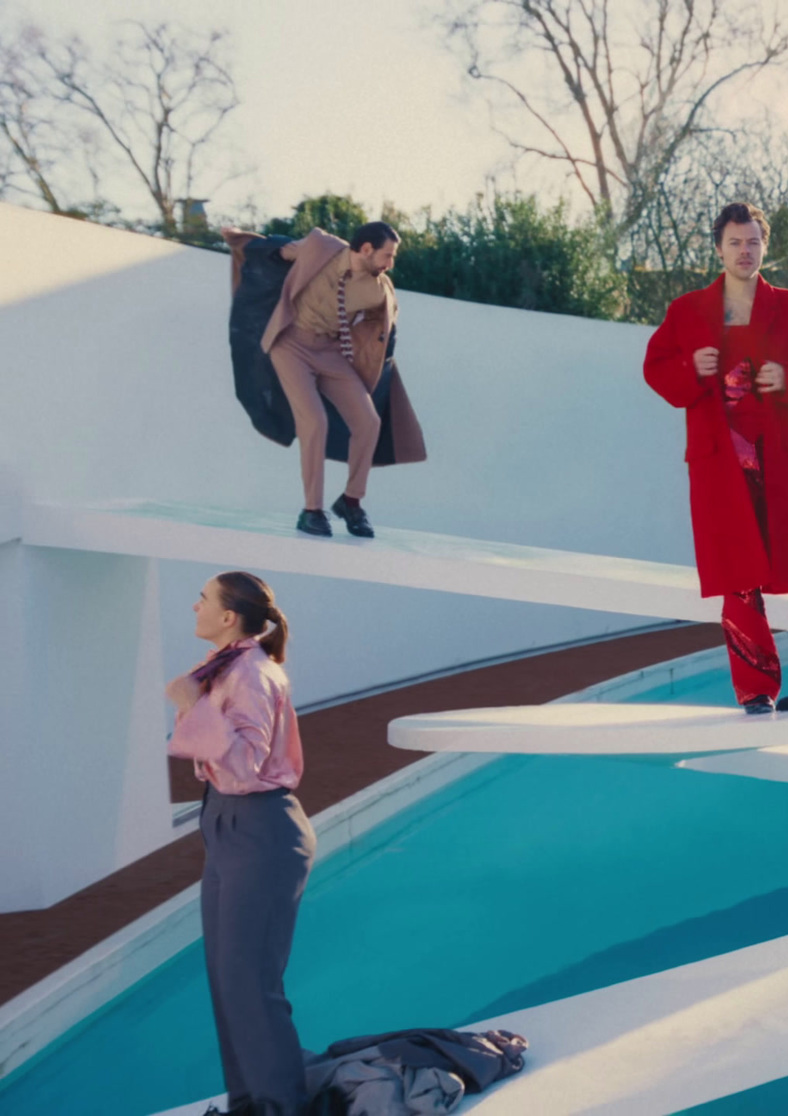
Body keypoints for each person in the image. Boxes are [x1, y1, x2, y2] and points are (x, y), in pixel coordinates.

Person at [644, 202, 788, 713]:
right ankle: (756, 691)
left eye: (753, 241)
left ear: (765, 245)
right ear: (718, 248)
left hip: (785, 455)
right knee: (737, 575)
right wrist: (691, 366)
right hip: (720, 461)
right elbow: (655, 370)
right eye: (735, 242)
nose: (745, 251)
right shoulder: (687, 312)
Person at [166, 572, 314, 1116]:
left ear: (229, 616)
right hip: (228, 824)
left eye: (203, 598)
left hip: (260, 828)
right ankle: (249, 1105)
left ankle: (281, 1109)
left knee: (252, 985)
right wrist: (196, 701)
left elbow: (246, 763)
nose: (194, 604)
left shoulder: (251, 672)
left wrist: (191, 703)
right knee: (228, 982)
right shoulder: (231, 666)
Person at [220, 222, 427, 540]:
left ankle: (351, 501)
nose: (391, 264)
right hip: (290, 344)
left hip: (331, 352)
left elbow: (383, 335)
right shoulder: (321, 247)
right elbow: (285, 251)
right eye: (388, 255)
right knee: (314, 421)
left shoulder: (380, 290)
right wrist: (245, 242)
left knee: (369, 422)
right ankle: (311, 510)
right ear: (366, 249)